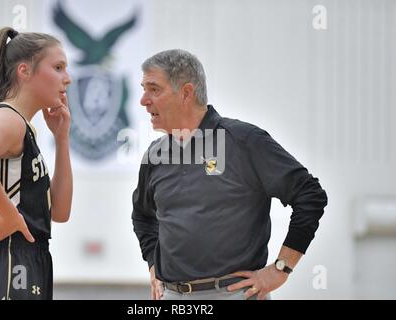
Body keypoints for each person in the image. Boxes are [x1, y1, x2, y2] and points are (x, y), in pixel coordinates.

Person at [132, 49, 328, 300]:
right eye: (143, 88)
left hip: (234, 295)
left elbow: (310, 195)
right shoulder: (155, 154)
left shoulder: (243, 141)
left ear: (186, 93)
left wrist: (281, 268)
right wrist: (153, 264)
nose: (143, 100)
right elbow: (143, 216)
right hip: (171, 296)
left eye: (154, 89)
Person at [0, 27, 73, 300]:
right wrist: (9, 214)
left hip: (26, 257)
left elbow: (60, 212)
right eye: (58, 67)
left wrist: (62, 139)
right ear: (25, 71)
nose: (67, 78)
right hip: (7, 259)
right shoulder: (9, 120)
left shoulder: (23, 126)